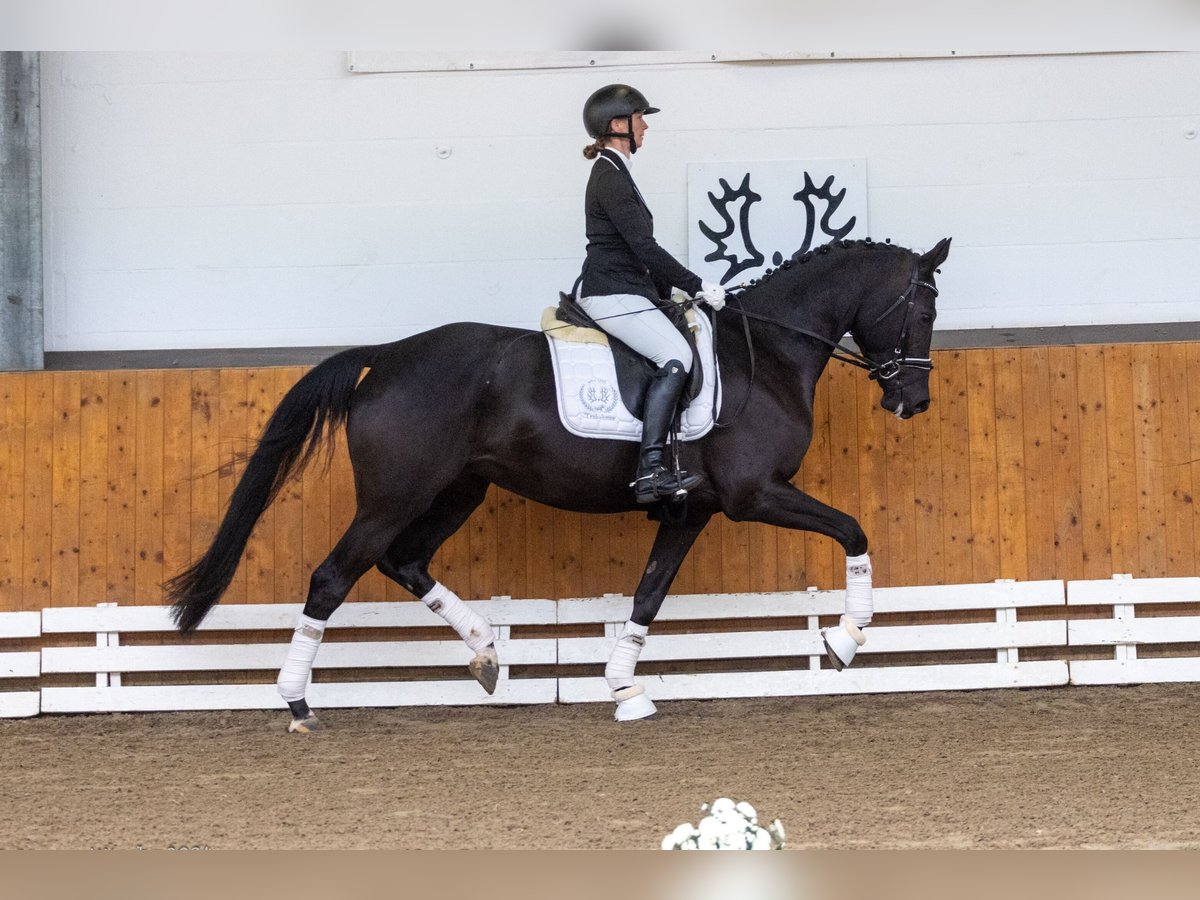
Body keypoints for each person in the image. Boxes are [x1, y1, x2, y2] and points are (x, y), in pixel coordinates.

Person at [575, 83, 726, 504]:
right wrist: (698, 286)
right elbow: (644, 249)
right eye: (640, 118)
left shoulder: (618, 171)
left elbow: (638, 252)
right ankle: (651, 470)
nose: (645, 127)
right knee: (675, 359)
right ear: (618, 125)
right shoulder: (609, 176)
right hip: (612, 293)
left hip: (629, 289)